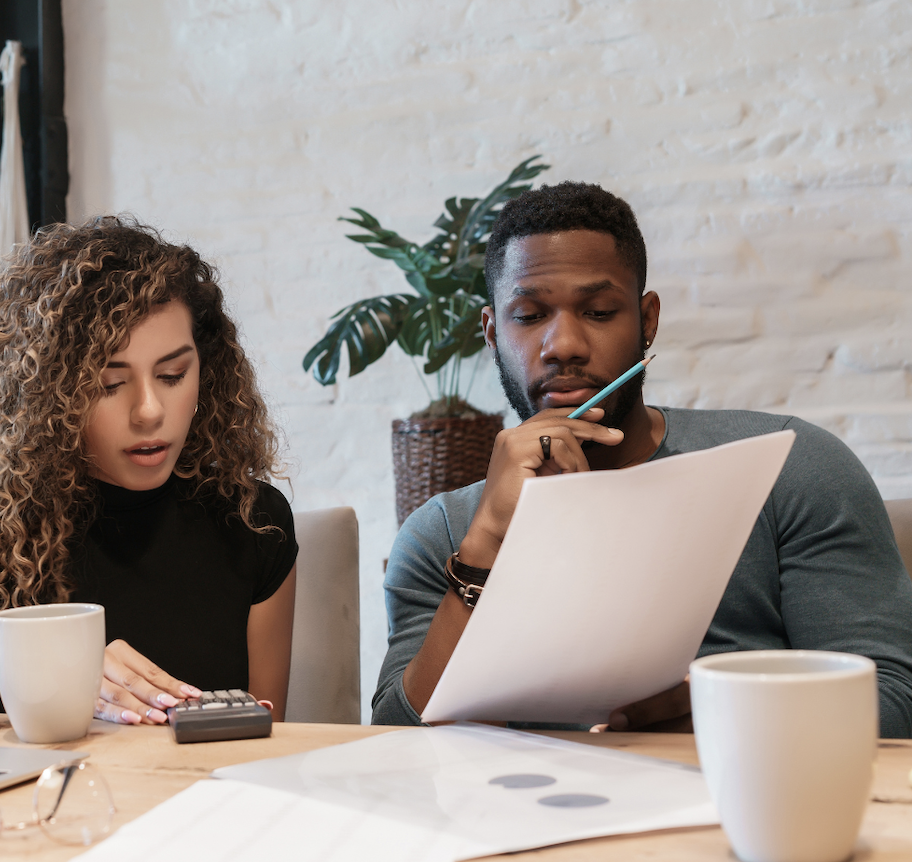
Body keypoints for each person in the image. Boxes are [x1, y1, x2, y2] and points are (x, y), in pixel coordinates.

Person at [372, 181, 912, 737]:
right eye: (530, 316)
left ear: (647, 320)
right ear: (491, 332)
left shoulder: (792, 468)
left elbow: (894, 700)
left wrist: (720, 717)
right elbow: (395, 739)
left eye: (600, 311)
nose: (564, 345)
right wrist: (487, 539)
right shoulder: (442, 535)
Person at [0, 216, 298, 724]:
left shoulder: (253, 521)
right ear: (47, 395)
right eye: (110, 384)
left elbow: (267, 744)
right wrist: (53, 688)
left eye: (173, 375)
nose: (149, 410)